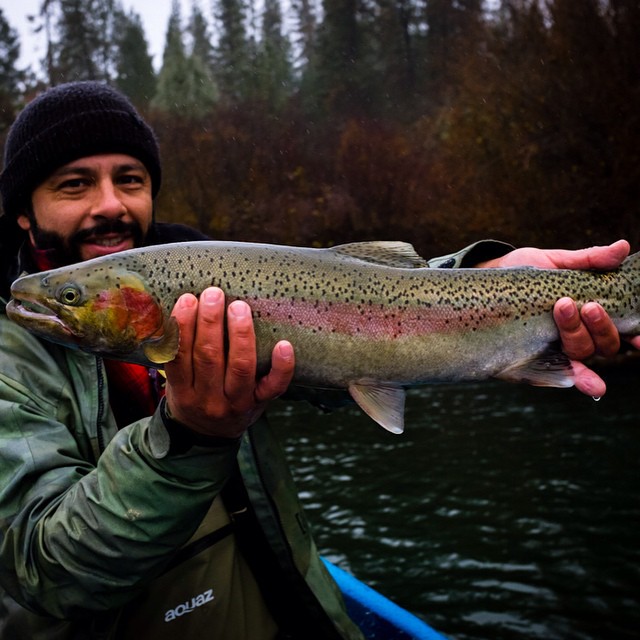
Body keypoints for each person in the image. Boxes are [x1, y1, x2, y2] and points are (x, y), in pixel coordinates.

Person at [0, 81, 633, 640]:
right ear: (23, 213)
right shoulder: (15, 359)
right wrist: (193, 436)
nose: (110, 203)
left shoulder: (208, 289)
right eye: (74, 183)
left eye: (130, 179)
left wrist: (481, 274)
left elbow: (377, 304)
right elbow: (45, 572)